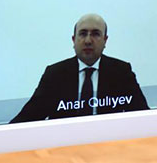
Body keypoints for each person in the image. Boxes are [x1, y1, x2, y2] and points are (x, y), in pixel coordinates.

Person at [10, 14, 149, 122]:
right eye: (83, 34)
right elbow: (26, 119)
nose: (88, 41)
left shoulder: (121, 72)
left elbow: (143, 117)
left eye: (95, 34)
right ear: (73, 40)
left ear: (105, 40)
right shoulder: (55, 74)